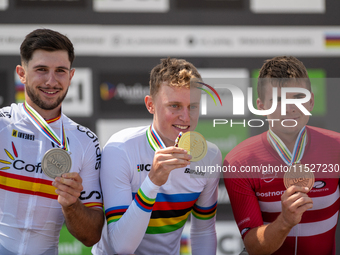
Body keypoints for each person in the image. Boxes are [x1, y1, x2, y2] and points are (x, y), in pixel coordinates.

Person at [92, 57, 221, 255]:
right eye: (175, 106)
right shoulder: (120, 149)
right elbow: (121, 247)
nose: (186, 117)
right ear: (150, 105)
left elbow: (203, 231)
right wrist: (152, 182)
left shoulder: (209, 156)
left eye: (192, 106)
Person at [0, 28, 104, 255]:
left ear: (71, 76)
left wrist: (72, 204)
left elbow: (91, 236)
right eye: (41, 70)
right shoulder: (1, 126)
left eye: (60, 71)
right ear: (22, 73)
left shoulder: (85, 141)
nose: (51, 81)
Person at [224, 56, 340, 255]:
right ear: (261, 106)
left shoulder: (336, 147)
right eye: (278, 99)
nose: (291, 107)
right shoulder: (239, 162)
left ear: (311, 101)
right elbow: (253, 247)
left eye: (298, 98)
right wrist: (285, 221)